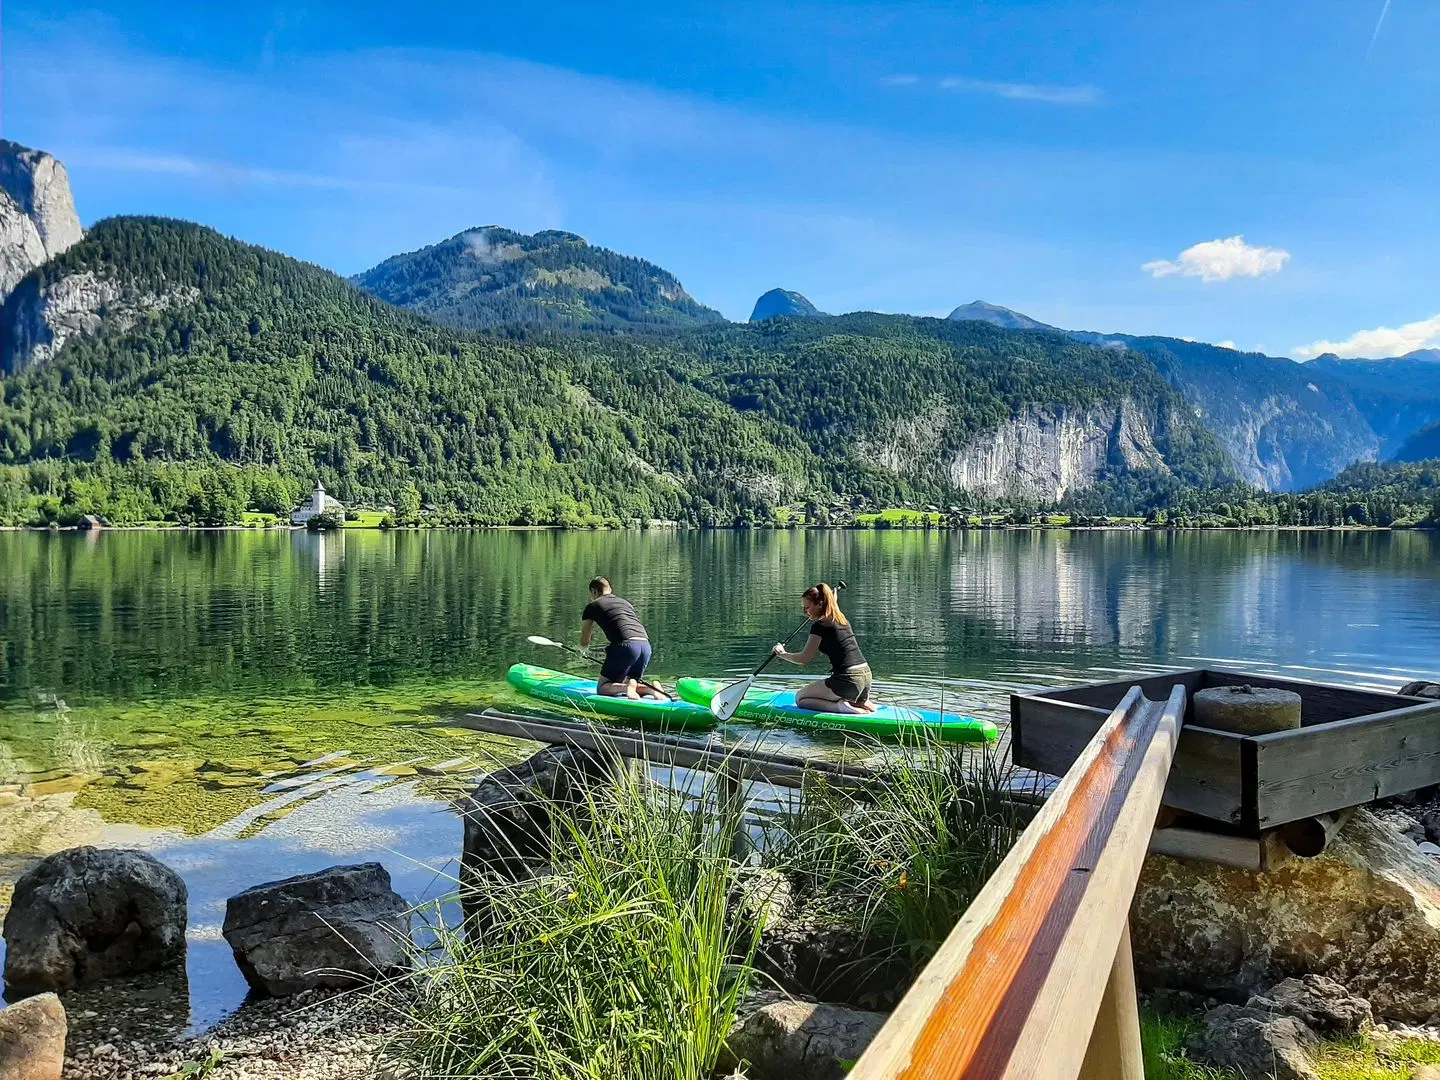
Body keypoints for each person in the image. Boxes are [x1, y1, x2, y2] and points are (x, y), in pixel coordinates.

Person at [770, 582, 877, 713]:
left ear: (820, 604)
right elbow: (832, 604)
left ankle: (839, 706)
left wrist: (781, 653)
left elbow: (804, 659)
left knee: (801, 699)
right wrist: (831, 598)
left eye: (807, 607)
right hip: (866, 676)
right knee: (855, 698)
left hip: (848, 679)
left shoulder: (820, 626)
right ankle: (860, 703)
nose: (805, 612)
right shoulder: (841, 619)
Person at [579, 577, 669, 700]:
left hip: (626, 646)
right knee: (628, 680)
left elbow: (585, 639)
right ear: (610, 589)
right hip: (645, 645)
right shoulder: (625, 603)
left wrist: (582, 650)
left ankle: (628, 688)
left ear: (594, 592)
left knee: (603, 687)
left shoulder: (592, 606)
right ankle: (652, 690)